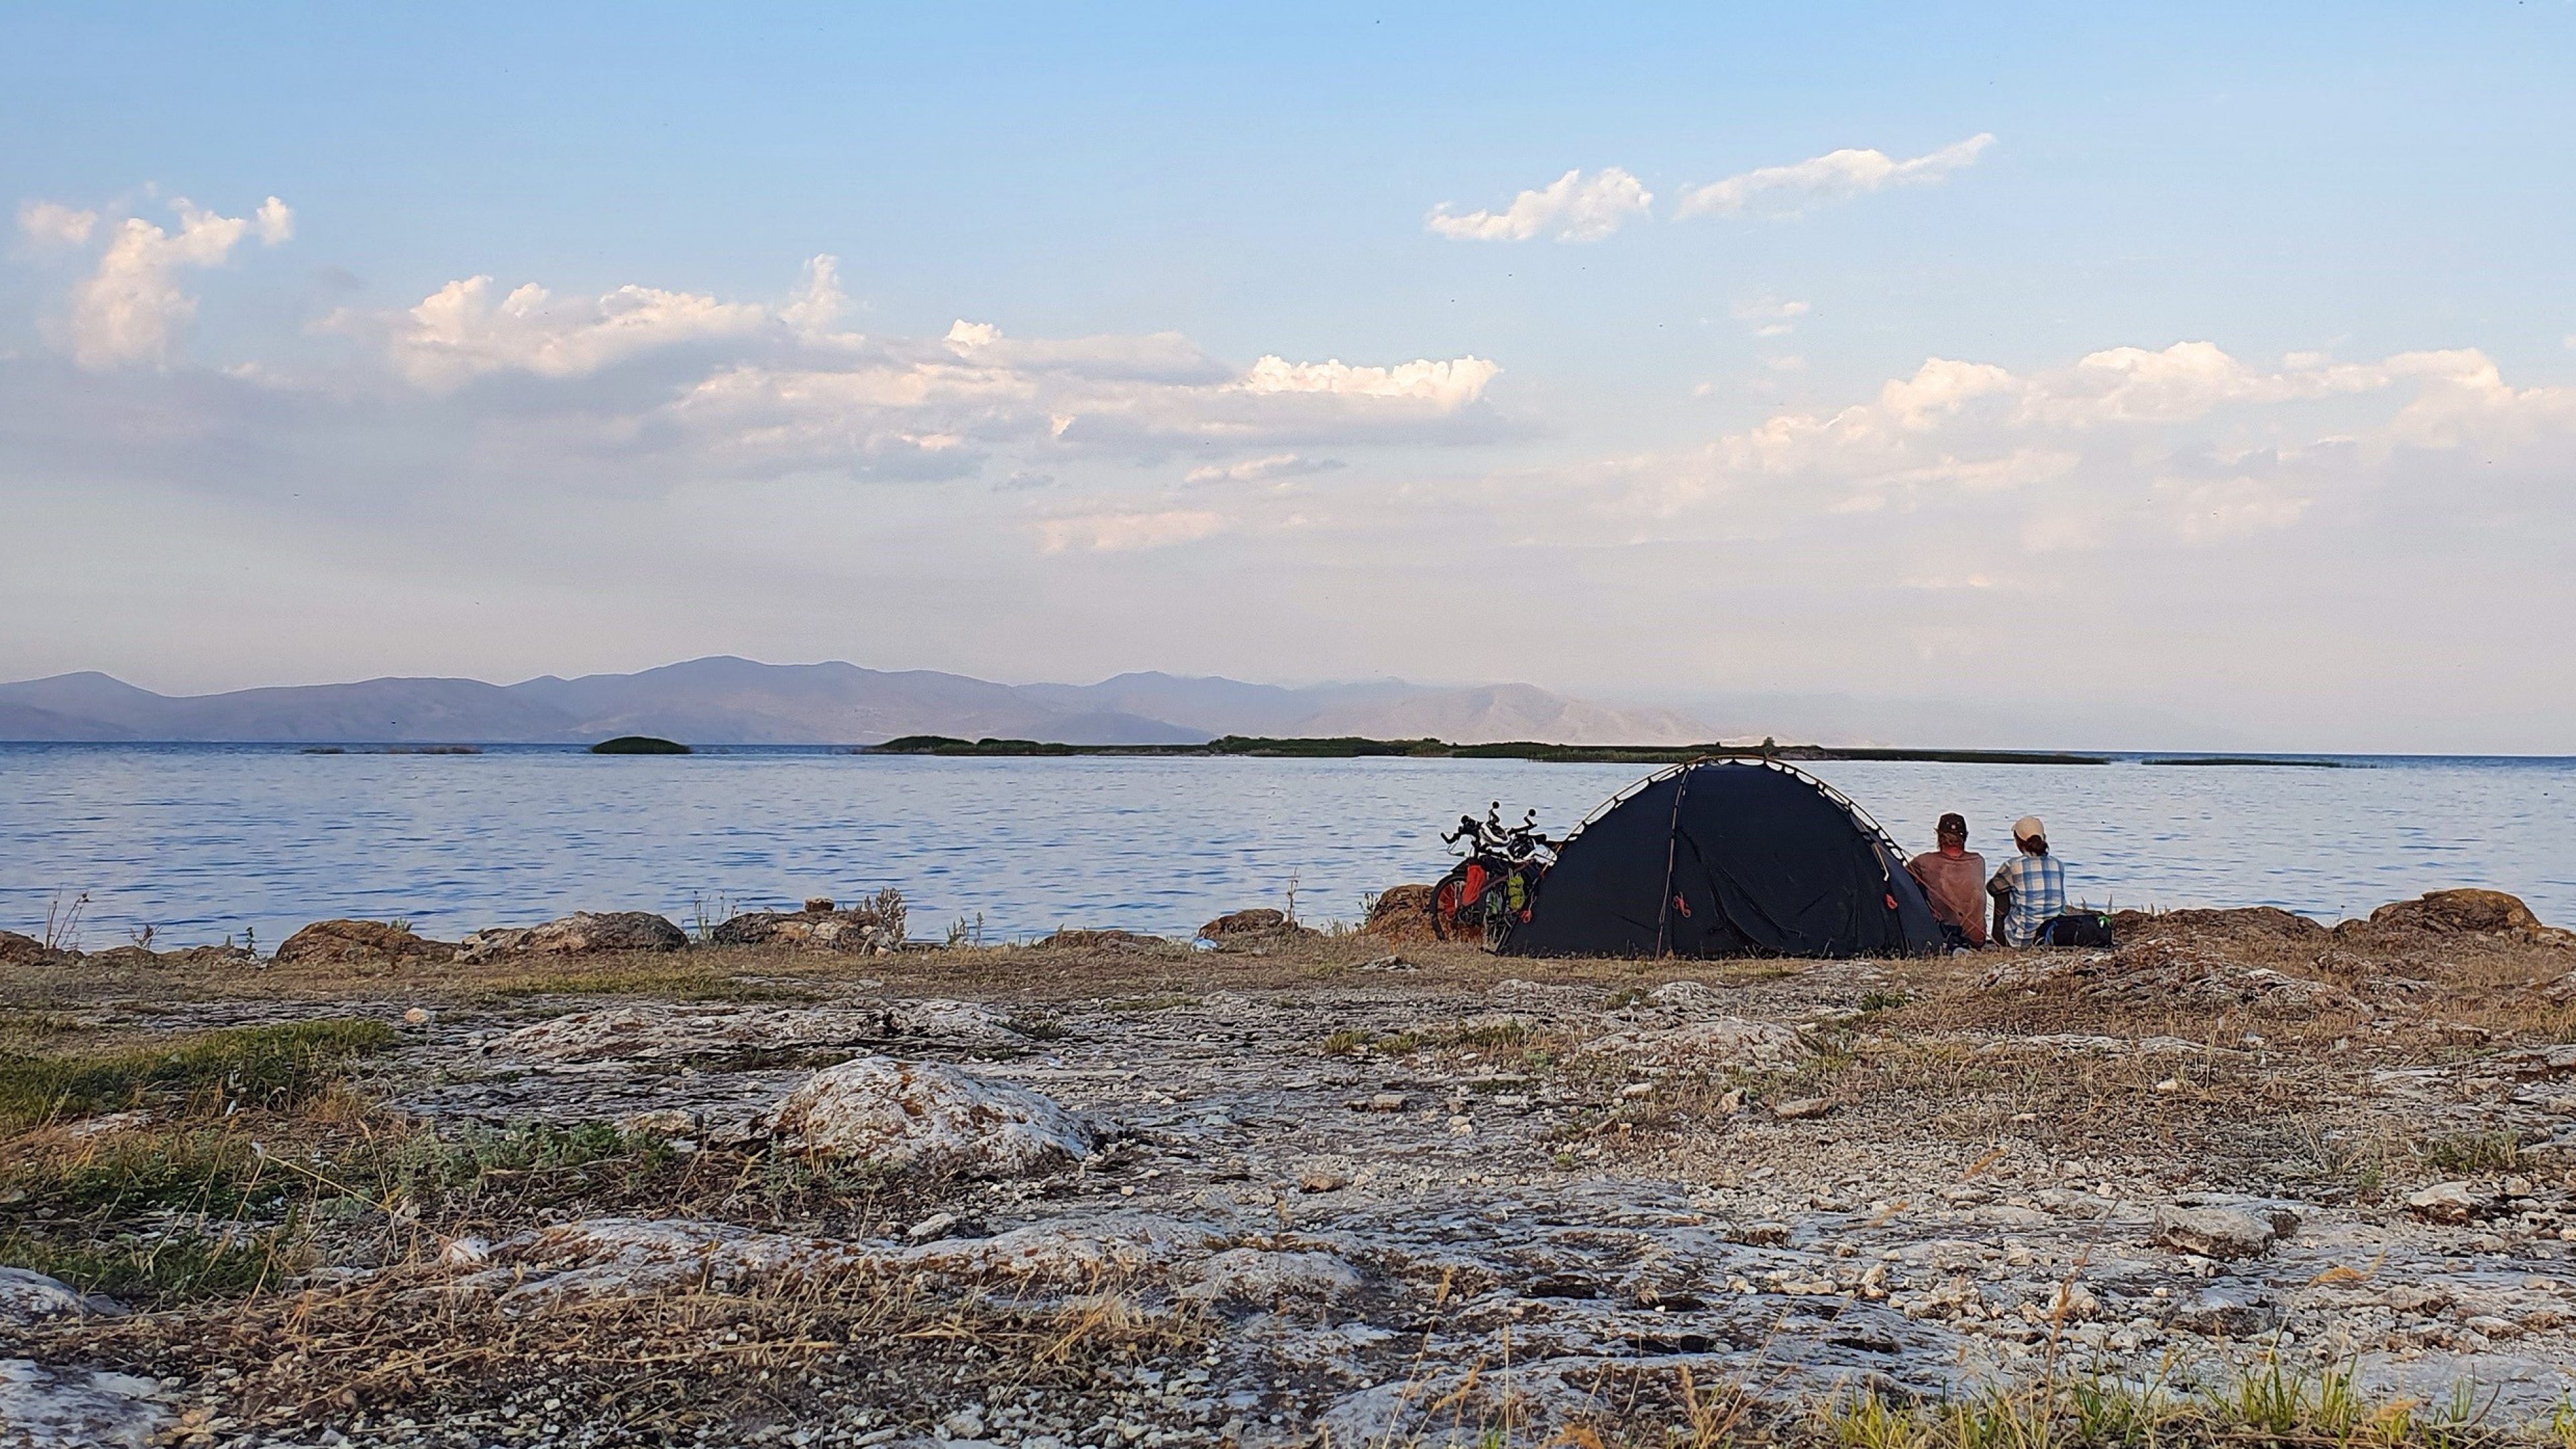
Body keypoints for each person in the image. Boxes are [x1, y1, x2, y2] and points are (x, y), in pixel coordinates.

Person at [1907, 812, 1987, 950]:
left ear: (1940, 837)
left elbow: (1903, 882)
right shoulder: (1978, 861)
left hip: (1944, 937)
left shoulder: (1924, 862)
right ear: (1965, 837)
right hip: (1977, 940)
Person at [1988, 816, 2067, 949]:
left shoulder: (2012, 866)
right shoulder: (2058, 864)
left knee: (2001, 891)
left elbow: (1991, 888)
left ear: (2019, 843)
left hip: (2021, 940)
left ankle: (2000, 938)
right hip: (2054, 934)